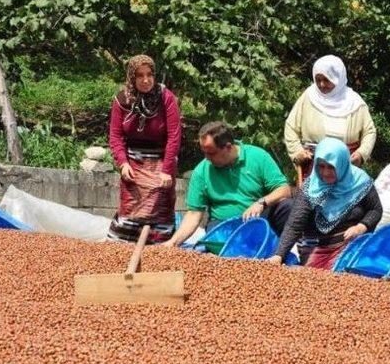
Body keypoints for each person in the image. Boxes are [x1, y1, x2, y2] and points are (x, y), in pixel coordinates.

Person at [163, 121, 292, 247]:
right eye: (204, 152)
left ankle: (283, 252)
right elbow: (193, 214)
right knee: (225, 246)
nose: (206, 158)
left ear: (228, 147)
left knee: (288, 207)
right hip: (223, 225)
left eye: (211, 153)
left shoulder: (258, 156)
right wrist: (173, 242)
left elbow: (284, 190)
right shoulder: (201, 171)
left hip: (259, 219)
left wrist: (261, 203)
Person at [267, 137, 382, 269]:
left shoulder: (359, 182)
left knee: (366, 271)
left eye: (331, 167)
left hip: (354, 245)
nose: (325, 173)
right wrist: (279, 255)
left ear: (342, 164)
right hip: (319, 249)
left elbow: (376, 210)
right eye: (321, 166)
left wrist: (361, 227)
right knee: (319, 279)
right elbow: (294, 225)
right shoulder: (311, 187)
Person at [107, 54, 182, 243]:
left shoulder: (166, 98)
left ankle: (159, 253)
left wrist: (166, 171)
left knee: (161, 216)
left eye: (149, 74)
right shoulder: (122, 99)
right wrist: (123, 163)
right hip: (134, 163)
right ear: (132, 77)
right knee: (129, 215)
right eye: (139, 75)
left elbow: (174, 135)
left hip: (161, 162)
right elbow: (116, 136)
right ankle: (120, 252)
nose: (146, 80)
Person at [284, 55, 376, 181]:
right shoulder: (309, 97)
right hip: (314, 166)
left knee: (345, 199)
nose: (321, 85)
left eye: (326, 80)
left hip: (346, 166)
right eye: (318, 80)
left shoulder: (354, 102)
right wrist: (297, 152)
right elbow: (290, 127)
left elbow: (369, 132)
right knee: (313, 200)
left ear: (337, 78)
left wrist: (361, 154)